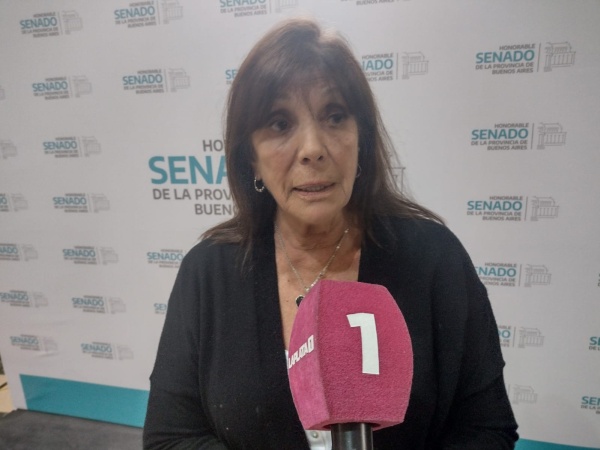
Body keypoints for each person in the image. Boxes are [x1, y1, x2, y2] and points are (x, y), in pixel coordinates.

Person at [143, 18, 518, 449]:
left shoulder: (435, 258)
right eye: (280, 123)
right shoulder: (207, 272)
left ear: (362, 137)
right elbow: (170, 439)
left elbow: (486, 429)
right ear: (251, 157)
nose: (313, 149)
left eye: (335, 116)